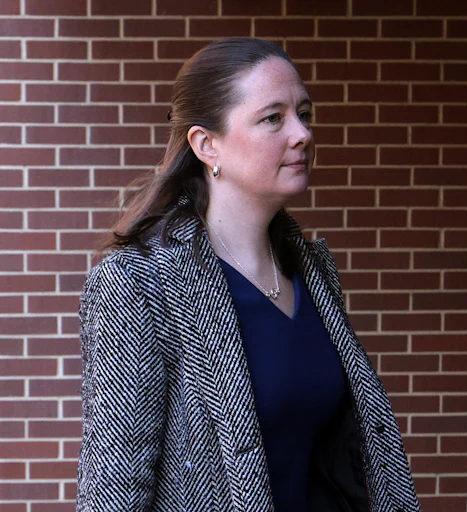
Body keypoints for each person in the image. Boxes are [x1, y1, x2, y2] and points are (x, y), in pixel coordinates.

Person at [76, 37, 421, 512]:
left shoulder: (312, 271)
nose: (301, 134)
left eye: (304, 113)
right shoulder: (140, 281)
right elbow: (115, 488)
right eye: (273, 118)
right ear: (207, 145)